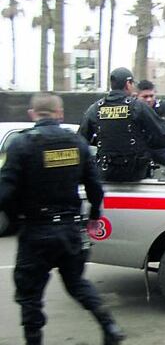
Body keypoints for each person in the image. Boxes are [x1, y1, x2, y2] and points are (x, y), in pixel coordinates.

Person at [0, 94, 126, 345]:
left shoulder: (22, 144)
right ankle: (109, 326)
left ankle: (33, 339)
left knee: (29, 296)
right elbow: (95, 187)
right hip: (69, 230)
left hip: (36, 231)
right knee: (77, 283)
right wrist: (92, 217)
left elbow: (5, 192)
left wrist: (16, 218)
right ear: (59, 113)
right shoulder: (76, 143)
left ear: (32, 114)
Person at [79, 67, 165, 181]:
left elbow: (80, 140)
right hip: (133, 172)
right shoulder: (137, 107)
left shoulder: (95, 108)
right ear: (128, 84)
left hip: (107, 172)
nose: (148, 99)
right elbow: (164, 130)